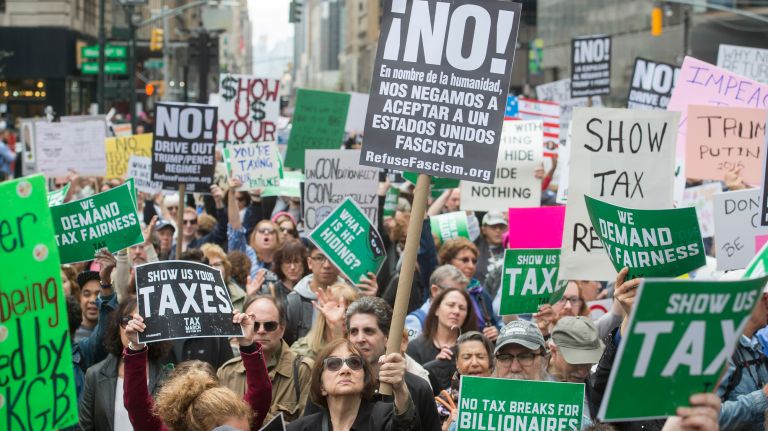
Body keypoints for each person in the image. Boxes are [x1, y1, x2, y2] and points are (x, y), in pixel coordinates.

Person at [123, 310, 273, 430]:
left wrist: (248, 343)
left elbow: (261, 394)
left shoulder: (238, 417)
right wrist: (136, 347)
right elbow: (137, 405)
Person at [342, 297, 443, 431]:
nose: (360, 339)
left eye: (368, 331)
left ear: (387, 338)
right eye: (354, 332)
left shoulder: (418, 388)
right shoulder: (338, 383)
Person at [79, 297, 171, 430]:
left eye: (141, 321)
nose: (132, 327)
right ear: (117, 327)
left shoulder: (168, 377)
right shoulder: (94, 375)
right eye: (127, 320)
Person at [218, 295, 314, 423]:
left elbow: (309, 425)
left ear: (282, 329)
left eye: (269, 325)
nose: (261, 331)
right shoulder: (227, 372)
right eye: (254, 325)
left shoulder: (304, 370)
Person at [287, 339, 419, 431]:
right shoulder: (298, 428)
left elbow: (406, 426)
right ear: (321, 385)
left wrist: (400, 387)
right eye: (333, 364)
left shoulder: (383, 417)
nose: (345, 369)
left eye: (354, 362)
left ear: (365, 378)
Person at [716, 281, 768, 430]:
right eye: (764, 297)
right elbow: (709, 417)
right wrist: (762, 397)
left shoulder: (757, 347)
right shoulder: (719, 350)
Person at [283, 242, 348, 345]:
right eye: (319, 258)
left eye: (333, 258)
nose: (326, 265)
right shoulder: (293, 302)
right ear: (309, 262)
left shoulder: (352, 298)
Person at [438, 238, 501, 341]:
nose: (471, 266)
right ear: (448, 262)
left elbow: (495, 323)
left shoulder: (480, 293)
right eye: (464, 260)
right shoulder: (439, 290)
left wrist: (496, 331)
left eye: (474, 261)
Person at [547, 316, 605, 428]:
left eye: (589, 362)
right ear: (554, 350)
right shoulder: (530, 380)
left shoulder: (596, 386)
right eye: (575, 362)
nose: (583, 372)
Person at [434, 331, 494, 430]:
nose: (474, 363)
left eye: (480, 357)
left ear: (491, 361)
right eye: (467, 357)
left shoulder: (507, 400)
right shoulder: (442, 403)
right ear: (457, 363)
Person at [406, 288, 477, 366]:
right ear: (436, 310)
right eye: (451, 305)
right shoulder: (415, 347)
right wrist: (436, 366)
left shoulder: (475, 347)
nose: (456, 311)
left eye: (462, 308)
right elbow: (410, 377)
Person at [228, 179, 282, 279]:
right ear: (253, 236)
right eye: (262, 231)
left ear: (278, 238)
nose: (266, 233)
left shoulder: (283, 260)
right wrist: (231, 193)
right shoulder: (246, 254)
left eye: (271, 231)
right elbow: (235, 230)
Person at [291, 283, 360, 359]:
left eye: (348, 310)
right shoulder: (302, 351)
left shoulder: (362, 348)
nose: (342, 316)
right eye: (337, 309)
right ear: (324, 313)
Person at [405, 265, 469, 341]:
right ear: (435, 291)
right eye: (451, 292)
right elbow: (408, 351)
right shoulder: (415, 322)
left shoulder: (459, 318)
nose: (456, 298)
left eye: (461, 294)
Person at [172, 185, 227, 258]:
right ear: (178, 224)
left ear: (197, 224)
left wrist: (218, 202)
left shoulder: (203, 243)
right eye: (184, 222)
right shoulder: (171, 246)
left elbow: (222, 229)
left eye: (192, 222)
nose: (188, 225)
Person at [256, 239, 309, 303]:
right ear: (280, 264)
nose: (292, 267)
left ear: (305, 263)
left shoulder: (311, 288)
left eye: (296, 262)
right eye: (287, 262)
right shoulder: (271, 290)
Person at [201, 243, 246, 311]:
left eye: (217, 264)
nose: (213, 269)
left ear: (225, 267)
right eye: (208, 265)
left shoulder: (241, 295)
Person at [473, 211, 507, 287]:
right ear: (484, 230)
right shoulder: (476, 245)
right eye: (493, 227)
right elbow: (470, 222)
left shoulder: (510, 247)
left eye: (501, 227)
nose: (498, 230)